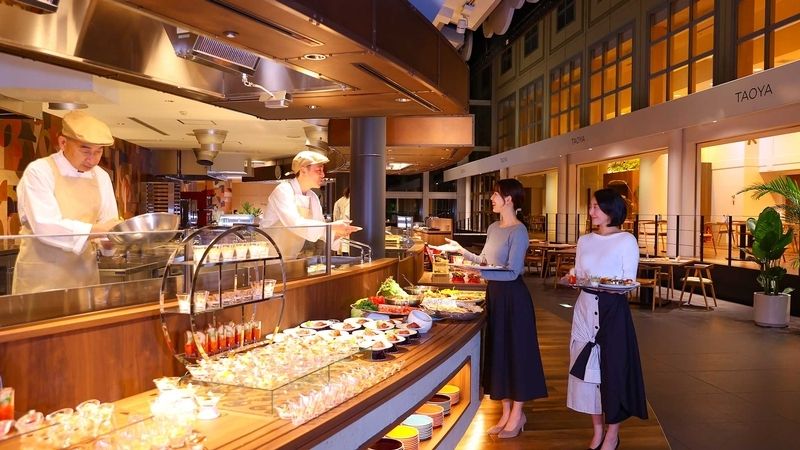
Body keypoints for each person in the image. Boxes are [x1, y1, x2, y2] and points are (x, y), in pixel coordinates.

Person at [436, 178, 547, 439]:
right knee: (500, 353)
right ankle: (506, 412)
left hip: (514, 298)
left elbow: (512, 272)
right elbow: (485, 261)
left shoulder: (519, 231)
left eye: (496, 195)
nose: (492, 199)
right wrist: (461, 251)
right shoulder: (494, 227)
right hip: (495, 296)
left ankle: (517, 414)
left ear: (509, 199)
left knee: (517, 354)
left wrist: (478, 270)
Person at [566, 188, 647, 450]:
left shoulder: (626, 240)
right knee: (588, 372)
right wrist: (572, 277)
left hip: (612, 311)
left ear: (611, 210)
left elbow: (628, 279)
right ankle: (597, 430)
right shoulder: (584, 240)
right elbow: (579, 272)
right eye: (591, 206)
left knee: (613, 370)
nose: (591, 212)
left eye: (596, 207)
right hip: (584, 308)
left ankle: (612, 433)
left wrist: (607, 285)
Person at [13, 111, 121, 294]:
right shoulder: (39, 171)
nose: (93, 159)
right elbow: (45, 225)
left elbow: (108, 224)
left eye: (99, 151)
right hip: (41, 280)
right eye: (85, 151)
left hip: (84, 279)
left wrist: (110, 242)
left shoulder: (101, 177)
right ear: (63, 142)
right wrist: (101, 230)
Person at [261, 150, 357, 259]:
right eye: (318, 170)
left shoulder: (313, 197)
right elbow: (294, 224)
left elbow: (321, 229)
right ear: (303, 170)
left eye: (323, 171)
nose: (323, 175)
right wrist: (332, 226)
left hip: (290, 258)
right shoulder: (284, 190)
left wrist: (338, 233)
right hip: (268, 256)